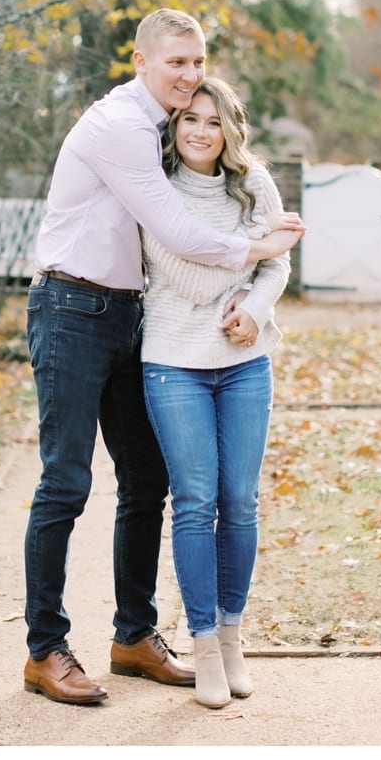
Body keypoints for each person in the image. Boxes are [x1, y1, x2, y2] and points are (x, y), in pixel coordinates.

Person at [21, 8, 305, 706]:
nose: (189, 75)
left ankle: (134, 636)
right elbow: (176, 230)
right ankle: (44, 648)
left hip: (129, 314)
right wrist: (263, 249)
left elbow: (211, 197)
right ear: (142, 60)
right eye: (176, 62)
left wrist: (260, 285)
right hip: (71, 307)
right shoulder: (122, 126)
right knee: (65, 482)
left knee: (145, 481)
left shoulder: (168, 131)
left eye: (197, 60)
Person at [139, 76, 292, 708]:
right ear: (174, 126)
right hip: (174, 361)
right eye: (189, 120)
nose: (199, 131)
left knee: (241, 501)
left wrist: (255, 308)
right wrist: (258, 247)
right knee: (195, 502)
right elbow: (182, 276)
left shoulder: (253, 181)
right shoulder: (157, 186)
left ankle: (232, 639)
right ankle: (200, 646)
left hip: (244, 360)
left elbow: (278, 266)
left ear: (231, 128)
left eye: (212, 121)